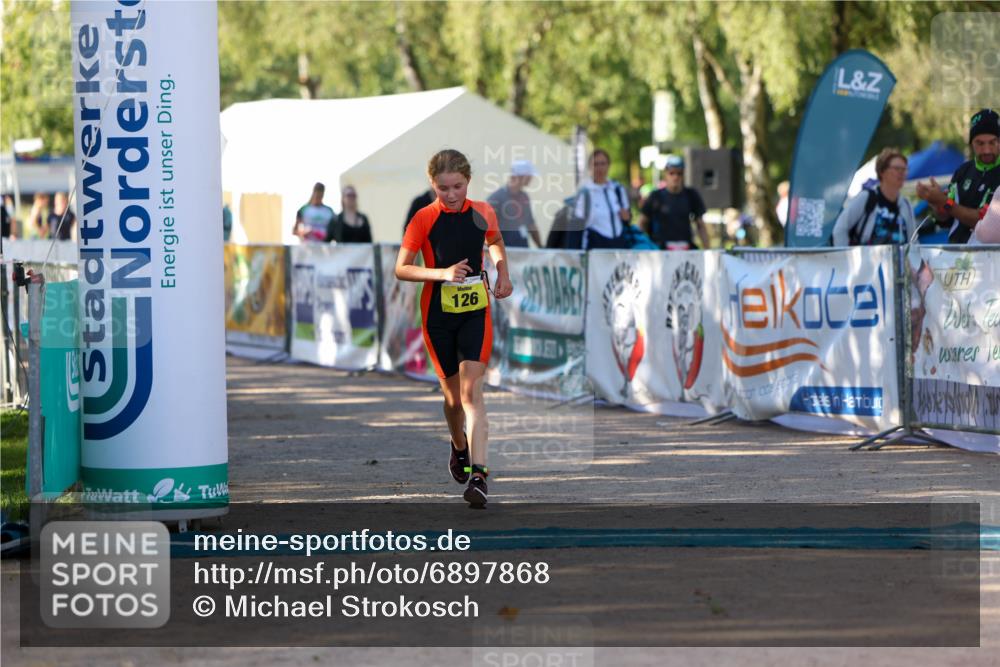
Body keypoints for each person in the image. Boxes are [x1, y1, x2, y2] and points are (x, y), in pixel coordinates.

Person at [395, 149, 512, 508]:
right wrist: (442, 274)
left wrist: (502, 272)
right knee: (452, 399)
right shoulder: (423, 219)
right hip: (437, 316)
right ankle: (458, 445)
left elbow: (494, 241)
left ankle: (479, 475)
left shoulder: (483, 212)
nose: (451, 194)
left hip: (476, 310)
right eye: (443, 187)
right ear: (433, 184)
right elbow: (402, 267)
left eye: (457, 186)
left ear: (468, 182)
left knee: (472, 394)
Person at [916, 108, 1000, 244]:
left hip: (989, 257)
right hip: (956, 255)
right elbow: (946, 219)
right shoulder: (963, 170)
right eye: (980, 143)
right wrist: (936, 203)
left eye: (992, 142)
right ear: (971, 143)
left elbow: (984, 222)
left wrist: (945, 202)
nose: (986, 150)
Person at [832, 148, 917, 246]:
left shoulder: (906, 205)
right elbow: (840, 229)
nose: (902, 173)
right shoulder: (866, 197)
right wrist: (846, 258)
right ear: (882, 171)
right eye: (897, 168)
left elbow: (913, 241)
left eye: (905, 169)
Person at [639, 155, 709, 250]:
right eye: (671, 173)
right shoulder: (655, 196)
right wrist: (644, 247)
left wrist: (707, 249)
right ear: (665, 174)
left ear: (683, 174)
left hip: (685, 248)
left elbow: (700, 225)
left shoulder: (691, 195)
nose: (675, 177)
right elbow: (642, 223)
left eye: (679, 173)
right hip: (660, 250)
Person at [574, 149, 632, 249]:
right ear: (590, 167)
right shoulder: (585, 193)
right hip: (595, 247)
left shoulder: (618, 189)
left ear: (608, 165)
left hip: (619, 246)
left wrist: (627, 217)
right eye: (595, 164)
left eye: (603, 163)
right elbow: (577, 225)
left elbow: (627, 217)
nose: (599, 168)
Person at [486, 160, 542, 248]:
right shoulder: (496, 198)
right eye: (529, 176)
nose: (531, 179)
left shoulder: (524, 197)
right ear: (522, 176)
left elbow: (531, 224)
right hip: (505, 251)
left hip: (522, 250)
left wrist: (541, 247)